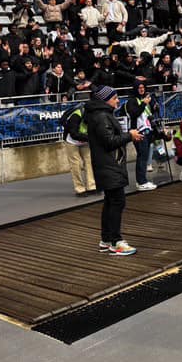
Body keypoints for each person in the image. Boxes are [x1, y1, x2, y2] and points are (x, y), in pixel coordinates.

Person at [85, 86, 142, 256]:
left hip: (107, 165)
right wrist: (129, 135)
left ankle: (106, 240)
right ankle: (116, 241)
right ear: (105, 100)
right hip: (109, 165)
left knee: (111, 202)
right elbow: (109, 141)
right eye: (114, 98)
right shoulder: (102, 116)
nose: (118, 100)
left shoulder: (100, 114)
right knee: (117, 202)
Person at [125, 80, 158, 191]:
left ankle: (142, 180)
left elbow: (150, 113)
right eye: (139, 87)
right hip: (138, 132)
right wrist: (143, 104)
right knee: (142, 157)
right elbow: (134, 114)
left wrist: (154, 105)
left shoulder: (147, 98)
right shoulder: (131, 101)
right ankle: (141, 182)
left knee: (144, 156)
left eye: (143, 87)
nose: (142, 89)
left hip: (148, 130)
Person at [63, 102, 96, 197]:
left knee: (89, 162)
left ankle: (91, 186)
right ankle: (79, 188)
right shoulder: (76, 116)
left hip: (85, 141)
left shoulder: (95, 116)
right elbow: (74, 134)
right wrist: (90, 138)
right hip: (72, 142)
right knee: (75, 165)